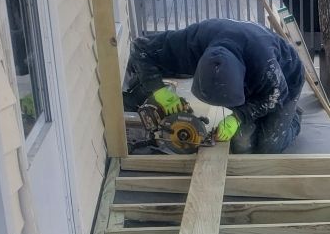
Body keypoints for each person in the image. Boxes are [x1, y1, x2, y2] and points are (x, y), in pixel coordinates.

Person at [123, 18, 304, 153]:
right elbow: (140, 48)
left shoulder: (265, 64)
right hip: (246, 78)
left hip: (285, 84)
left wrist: (239, 116)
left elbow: (274, 97)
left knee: (267, 146)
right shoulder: (191, 42)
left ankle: (294, 115)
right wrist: (159, 90)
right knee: (242, 145)